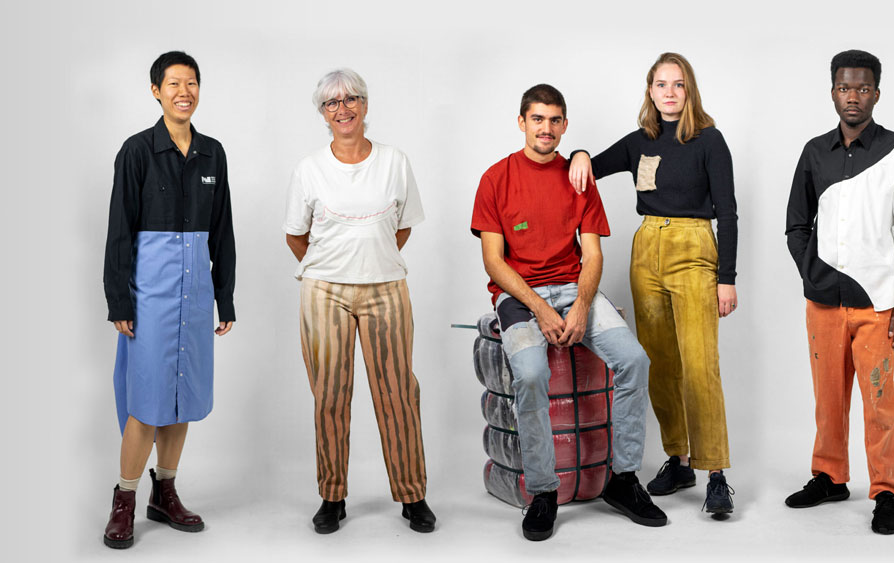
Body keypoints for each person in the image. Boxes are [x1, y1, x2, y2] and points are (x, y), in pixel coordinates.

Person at [471, 84, 666, 541]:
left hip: (575, 289)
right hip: (519, 296)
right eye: (537, 119)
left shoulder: (578, 178)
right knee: (533, 373)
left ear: (564, 125)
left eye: (555, 120)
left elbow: (593, 256)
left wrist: (581, 306)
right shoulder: (495, 179)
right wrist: (539, 308)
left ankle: (623, 480)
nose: (546, 128)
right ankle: (543, 492)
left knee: (635, 361)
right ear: (522, 122)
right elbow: (493, 262)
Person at [568, 52, 738, 514]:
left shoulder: (709, 140)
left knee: (700, 363)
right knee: (659, 363)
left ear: (689, 91)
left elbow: (728, 211)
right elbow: (588, 167)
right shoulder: (640, 140)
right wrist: (580, 152)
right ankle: (678, 459)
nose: (669, 92)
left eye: (678, 84)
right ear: (650, 90)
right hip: (646, 252)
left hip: (694, 249)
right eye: (661, 84)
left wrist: (727, 279)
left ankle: (716, 474)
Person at [284, 68, 435, 534]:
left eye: (352, 99)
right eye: (332, 103)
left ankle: (413, 496)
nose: (343, 109)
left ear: (366, 106)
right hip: (323, 291)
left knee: (398, 394)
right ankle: (333, 496)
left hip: (386, 288)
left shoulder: (394, 161)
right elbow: (296, 235)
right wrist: (334, 265)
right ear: (322, 114)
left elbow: (403, 226)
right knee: (330, 395)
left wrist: (373, 261)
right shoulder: (309, 168)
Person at [783, 50, 894, 535]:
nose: (853, 97)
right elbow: (797, 224)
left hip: (878, 301)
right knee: (828, 397)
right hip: (823, 301)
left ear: (876, 94)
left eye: (863, 88)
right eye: (845, 88)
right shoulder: (814, 151)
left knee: (880, 400)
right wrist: (811, 272)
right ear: (832, 93)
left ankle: (887, 492)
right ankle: (829, 477)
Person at [102, 51, 236, 549]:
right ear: (156, 90)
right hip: (150, 294)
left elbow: (221, 229)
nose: (185, 91)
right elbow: (119, 229)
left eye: (193, 82)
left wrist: (226, 297)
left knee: (181, 399)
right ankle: (125, 499)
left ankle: (166, 491)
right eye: (174, 83)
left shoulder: (213, 153)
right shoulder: (137, 151)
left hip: (196, 293)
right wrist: (119, 299)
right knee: (146, 401)